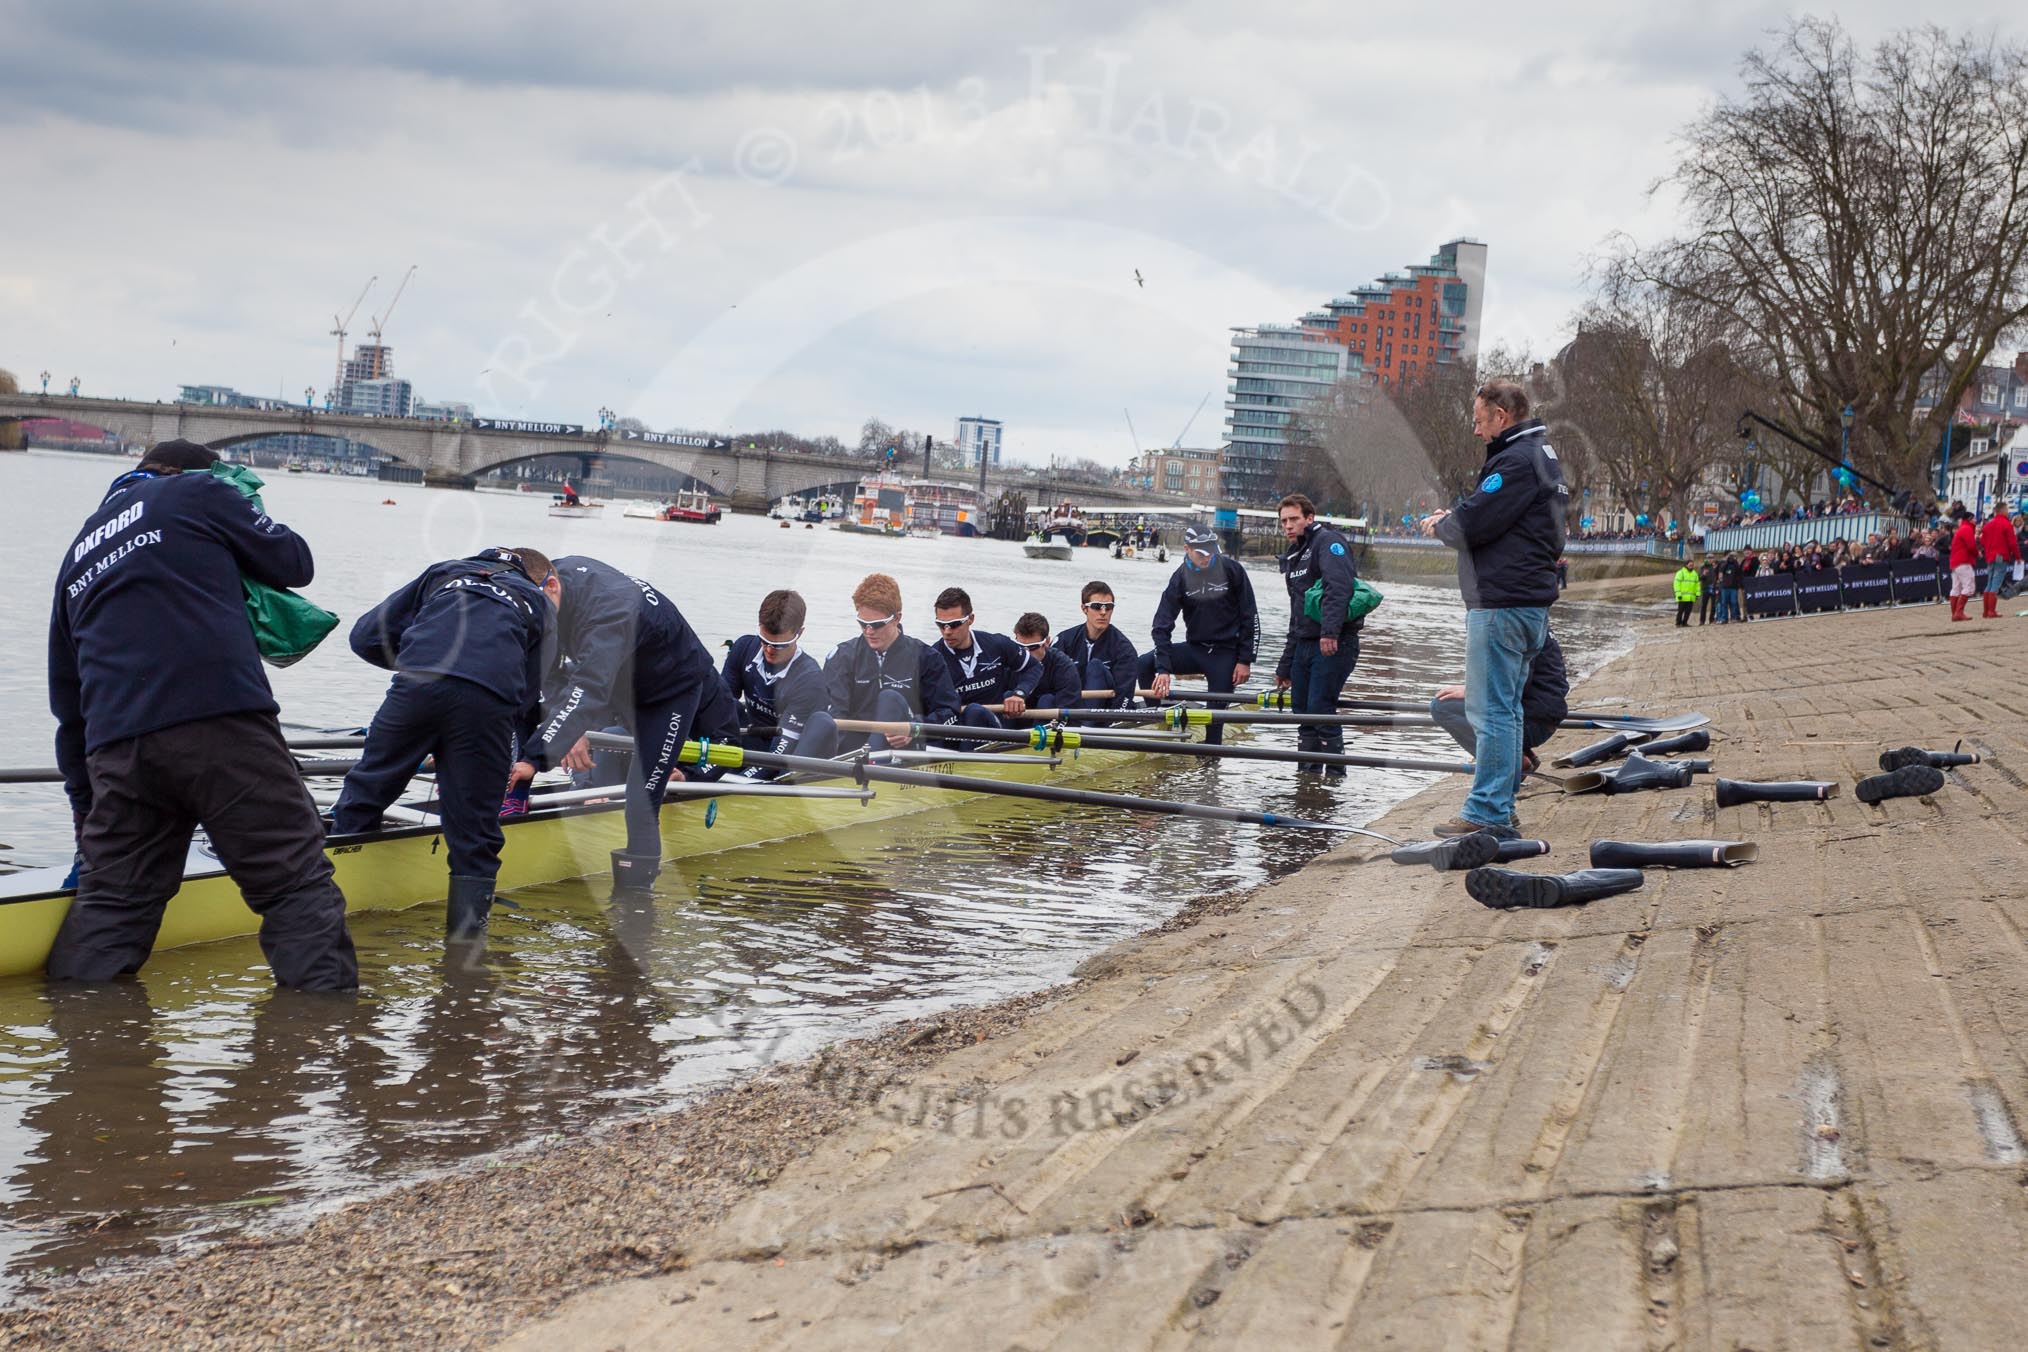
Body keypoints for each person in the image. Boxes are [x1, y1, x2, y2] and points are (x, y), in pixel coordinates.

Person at [46, 438, 357, 989]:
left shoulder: (77, 553)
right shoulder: (197, 491)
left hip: (117, 750)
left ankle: (83, 1049)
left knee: (112, 906)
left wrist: (86, 806)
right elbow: (294, 562)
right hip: (219, 721)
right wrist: (244, 505)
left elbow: (67, 702)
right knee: (292, 883)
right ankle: (318, 1044)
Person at [332, 548, 550, 936]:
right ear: (537, 579)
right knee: (476, 832)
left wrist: (424, 668)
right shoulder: (538, 602)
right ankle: (466, 954)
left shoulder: (445, 572)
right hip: (487, 704)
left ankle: (329, 900)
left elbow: (365, 637)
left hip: (417, 685)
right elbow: (528, 696)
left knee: (367, 788)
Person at [509, 553, 740, 894]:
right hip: (621, 674)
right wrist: (564, 730)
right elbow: (551, 674)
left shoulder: (606, 611)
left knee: (642, 798)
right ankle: (552, 797)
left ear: (553, 586)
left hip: (671, 688)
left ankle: (636, 905)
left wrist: (546, 748)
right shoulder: (546, 576)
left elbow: (588, 688)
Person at [1419, 379, 1568, 839]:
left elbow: (1474, 523)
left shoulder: (1515, 461)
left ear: (1501, 416)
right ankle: (1500, 808)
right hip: (1527, 603)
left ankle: (1487, 812)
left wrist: (1445, 524)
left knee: (1491, 713)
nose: (1476, 430)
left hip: (1502, 603)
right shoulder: (1542, 457)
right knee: (1507, 711)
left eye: (1480, 420)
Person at [800, 573, 960, 758]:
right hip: (851, 751)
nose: (869, 632)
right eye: (863, 623)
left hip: (903, 750)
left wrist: (915, 728)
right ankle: (790, 777)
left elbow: (950, 714)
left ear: (897, 618)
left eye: (876, 625)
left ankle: (866, 767)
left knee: (889, 698)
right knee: (820, 719)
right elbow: (835, 714)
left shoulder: (927, 658)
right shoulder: (842, 656)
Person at [1138, 525, 1260, 745]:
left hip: (1225, 653)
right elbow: (1161, 625)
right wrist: (1163, 668)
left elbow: (1250, 618)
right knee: (1144, 664)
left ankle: (1210, 762)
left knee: (1213, 728)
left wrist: (1245, 660)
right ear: (1187, 549)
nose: (1207, 557)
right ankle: (1157, 719)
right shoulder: (1180, 577)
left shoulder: (1233, 570)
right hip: (1195, 649)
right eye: (1201, 553)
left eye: (1211, 551)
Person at [1272, 494, 1361, 774]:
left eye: (1294, 519)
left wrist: (1330, 632)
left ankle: (1335, 779)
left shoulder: (1329, 542)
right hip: (1304, 643)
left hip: (1334, 642)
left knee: (1320, 709)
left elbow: (1339, 588)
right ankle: (1308, 781)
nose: (1288, 526)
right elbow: (1296, 615)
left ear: (1310, 518)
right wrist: (1285, 665)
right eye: (1284, 521)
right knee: (1303, 712)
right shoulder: (1294, 556)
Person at [1429, 631, 1569, 800]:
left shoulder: (1516, 631)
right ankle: (1520, 754)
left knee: (1443, 707)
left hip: (1532, 723)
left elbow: (1514, 682)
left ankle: (1513, 763)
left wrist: (1472, 690)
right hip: (1541, 717)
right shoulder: (1535, 625)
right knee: (1450, 702)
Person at [720, 588, 828, 772]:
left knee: (821, 721)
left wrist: (743, 780)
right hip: (753, 737)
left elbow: (778, 756)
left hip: (788, 751)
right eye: (764, 641)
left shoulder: (809, 678)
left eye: (780, 645)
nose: (769, 650)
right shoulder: (743, 648)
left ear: (799, 633)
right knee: (723, 704)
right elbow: (718, 709)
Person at [930, 587, 1042, 746]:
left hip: (991, 725)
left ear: (971, 619)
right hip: (953, 728)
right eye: (941, 625)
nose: (947, 632)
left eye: (954, 624)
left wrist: (1019, 694)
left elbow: (1033, 667)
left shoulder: (995, 644)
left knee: (974, 711)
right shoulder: (933, 658)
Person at [1053, 580, 1140, 710]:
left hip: (1104, 713)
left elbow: (1125, 694)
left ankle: (1088, 724)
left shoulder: (1124, 648)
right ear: (1084, 609)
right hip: (1069, 708)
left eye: (1108, 607)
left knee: (1096, 667)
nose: (1103, 612)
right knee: (1045, 699)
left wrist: (1116, 717)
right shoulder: (1064, 640)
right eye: (1097, 606)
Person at [1014, 611, 1083, 709]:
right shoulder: (1008, 661)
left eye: (1032, 647)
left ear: (1047, 642)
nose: (1026, 653)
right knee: (1008, 695)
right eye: (1020, 646)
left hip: (1049, 718)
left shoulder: (1064, 667)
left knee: (1046, 700)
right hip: (1015, 718)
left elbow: (1070, 712)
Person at [1980, 502, 2019, 617]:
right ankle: (1991, 611)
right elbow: (2013, 543)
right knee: (1996, 583)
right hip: (2001, 555)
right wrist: (2018, 557)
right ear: (2002, 511)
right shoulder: (2006, 524)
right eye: (2007, 510)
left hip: (1990, 556)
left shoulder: (1988, 525)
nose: (2008, 512)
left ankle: (1986, 611)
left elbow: (1982, 541)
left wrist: (1988, 549)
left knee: (1990, 582)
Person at [1948, 502, 1978, 621]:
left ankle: (1955, 614)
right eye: (1974, 518)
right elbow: (1971, 545)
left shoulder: (1962, 529)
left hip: (1955, 562)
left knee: (1956, 588)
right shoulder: (1967, 529)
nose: (1976, 520)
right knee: (1969, 586)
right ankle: (1959, 612)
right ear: (1970, 519)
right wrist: (1977, 553)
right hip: (1963, 561)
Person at [1716, 551, 1743, 624]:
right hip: (1724, 587)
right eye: (1731, 556)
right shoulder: (1724, 564)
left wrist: (1735, 562)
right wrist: (1727, 561)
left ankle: (1733, 617)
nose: (1732, 557)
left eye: (1734, 556)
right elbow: (1721, 570)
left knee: (1733, 602)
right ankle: (1724, 618)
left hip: (1733, 587)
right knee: (1724, 603)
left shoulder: (1736, 564)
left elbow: (1739, 572)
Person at [1672, 561, 1699, 627]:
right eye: (1690, 565)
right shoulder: (1680, 573)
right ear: (1686, 565)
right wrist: (1678, 594)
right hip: (1682, 596)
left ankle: (1684, 623)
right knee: (1680, 611)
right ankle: (1678, 623)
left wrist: (1697, 594)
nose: (1691, 566)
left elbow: (1697, 585)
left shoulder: (1695, 574)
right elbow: (1676, 584)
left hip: (1691, 597)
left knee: (1688, 611)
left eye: (1692, 565)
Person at [1695, 557, 1717, 625]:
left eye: (1711, 558)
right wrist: (1703, 574)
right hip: (1705, 588)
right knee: (1704, 605)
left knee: (1714, 605)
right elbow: (1699, 578)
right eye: (1709, 558)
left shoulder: (1715, 566)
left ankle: (1711, 619)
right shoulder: (1702, 567)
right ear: (1706, 559)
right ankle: (1702, 621)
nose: (1710, 559)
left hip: (1713, 588)